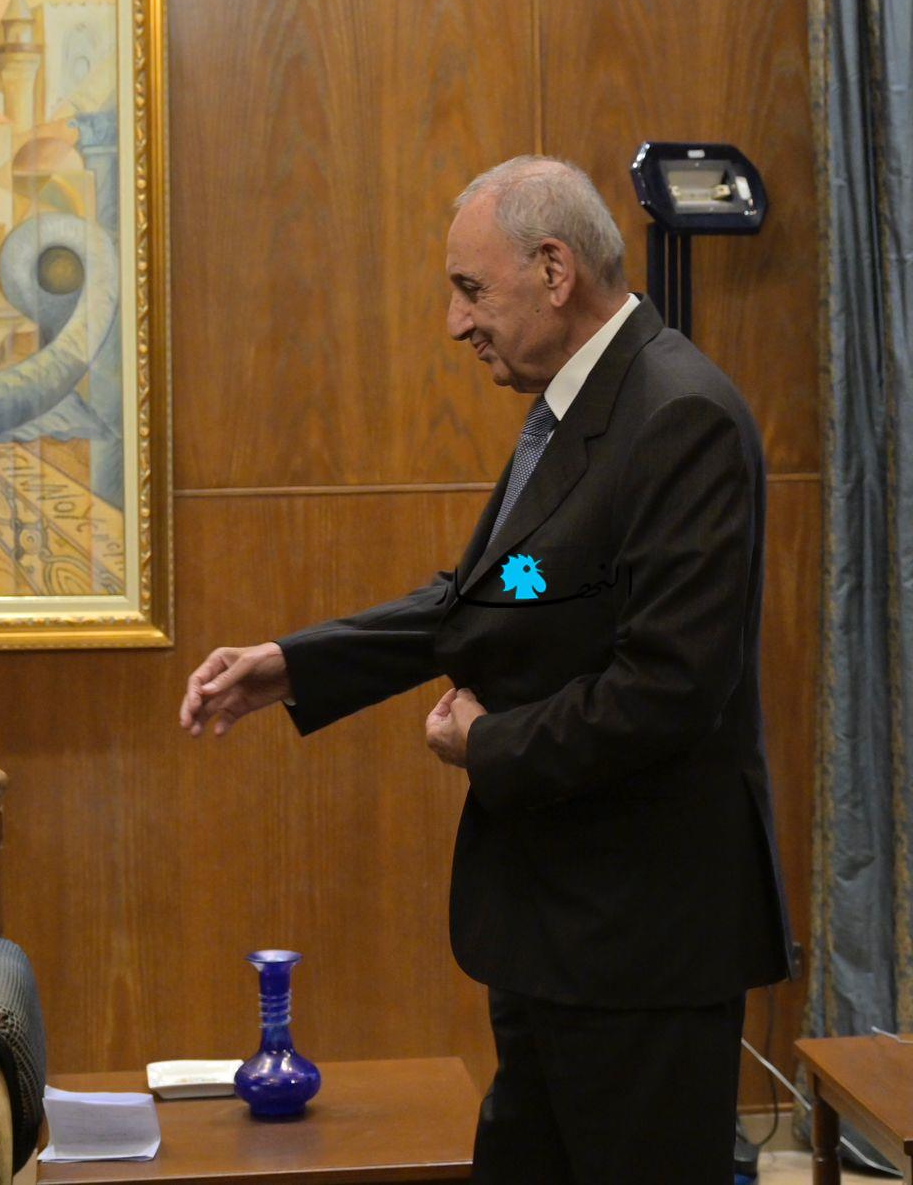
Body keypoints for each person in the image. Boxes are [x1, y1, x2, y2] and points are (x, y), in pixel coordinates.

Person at [179, 157, 790, 1184]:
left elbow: (671, 688)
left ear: (554, 271)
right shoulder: (580, 408)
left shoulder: (679, 415)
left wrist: (486, 741)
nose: (454, 324)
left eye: (469, 290)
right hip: (555, 930)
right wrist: (296, 664)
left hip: (639, 943)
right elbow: (499, 590)